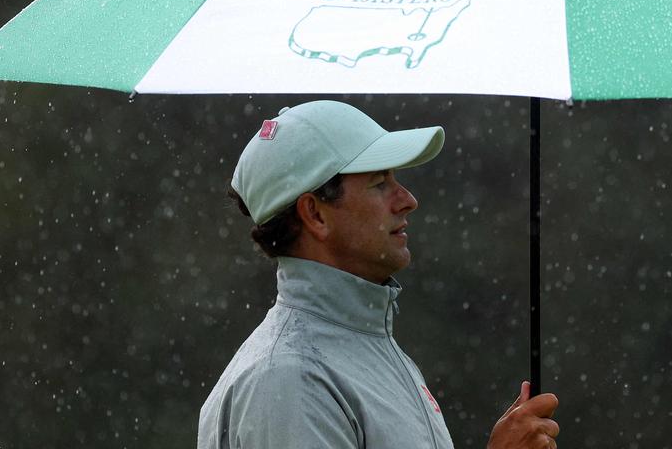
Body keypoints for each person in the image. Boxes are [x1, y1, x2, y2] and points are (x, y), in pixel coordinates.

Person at [198, 100, 561, 449]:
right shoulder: (290, 378)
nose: (407, 199)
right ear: (316, 214)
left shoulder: (362, 349)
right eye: (379, 182)